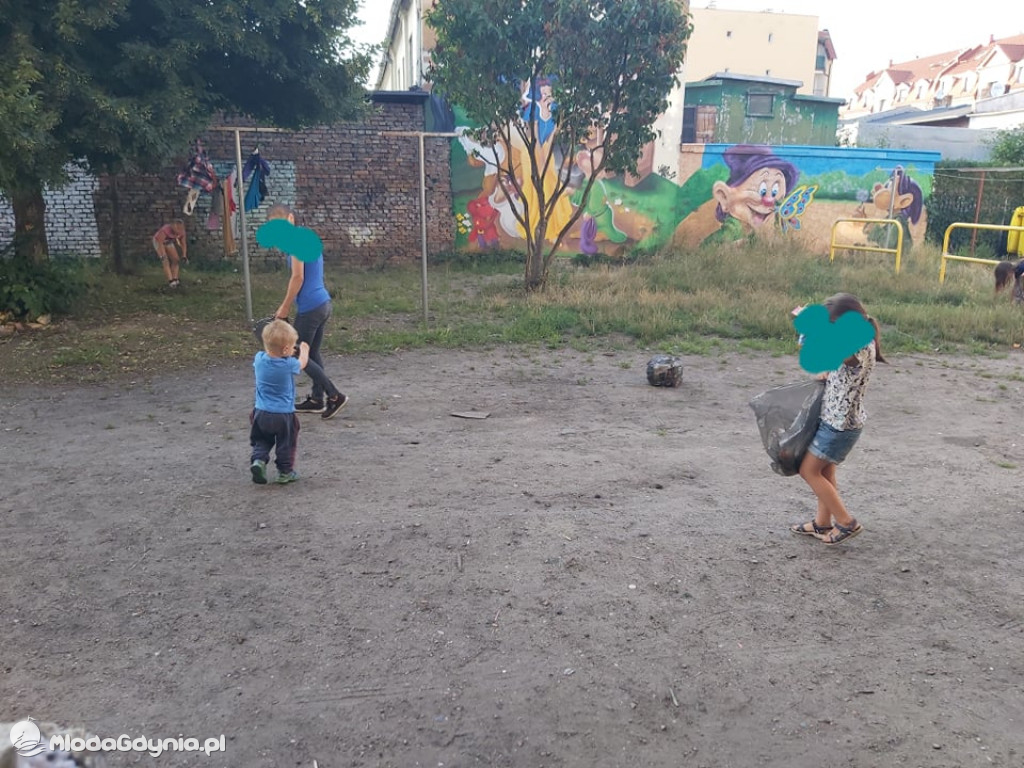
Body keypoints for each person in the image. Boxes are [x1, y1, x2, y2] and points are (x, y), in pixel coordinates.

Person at [790, 293, 886, 546]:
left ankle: (846, 523)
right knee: (824, 472)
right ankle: (822, 522)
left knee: (808, 471)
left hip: (840, 426)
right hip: (836, 421)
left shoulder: (858, 344)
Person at [267, 203, 349, 420]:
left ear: (291, 218)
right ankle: (316, 399)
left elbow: (298, 277)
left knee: (295, 352)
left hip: (311, 307)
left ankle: (334, 395)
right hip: (322, 303)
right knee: (311, 353)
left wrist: (284, 307)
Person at [250, 319, 308, 485]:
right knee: (286, 442)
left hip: (260, 412)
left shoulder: (259, 359)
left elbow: (270, 354)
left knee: (262, 439)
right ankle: (285, 471)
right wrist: (304, 351)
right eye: (292, 346)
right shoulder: (288, 364)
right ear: (285, 349)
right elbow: (302, 364)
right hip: (283, 414)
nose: (294, 348)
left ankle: (259, 461)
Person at [153, 219, 187, 288]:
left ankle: (175, 279)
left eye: (180, 228)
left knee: (176, 259)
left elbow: (183, 244)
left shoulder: (182, 232)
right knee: (165, 261)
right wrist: (163, 255)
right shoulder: (165, 230)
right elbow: (160, 242)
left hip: (169, 242)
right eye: (176, 228)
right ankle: (171, 281)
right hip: (158, 242)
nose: (178, 231)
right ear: (172, 227)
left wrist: (184, 255)